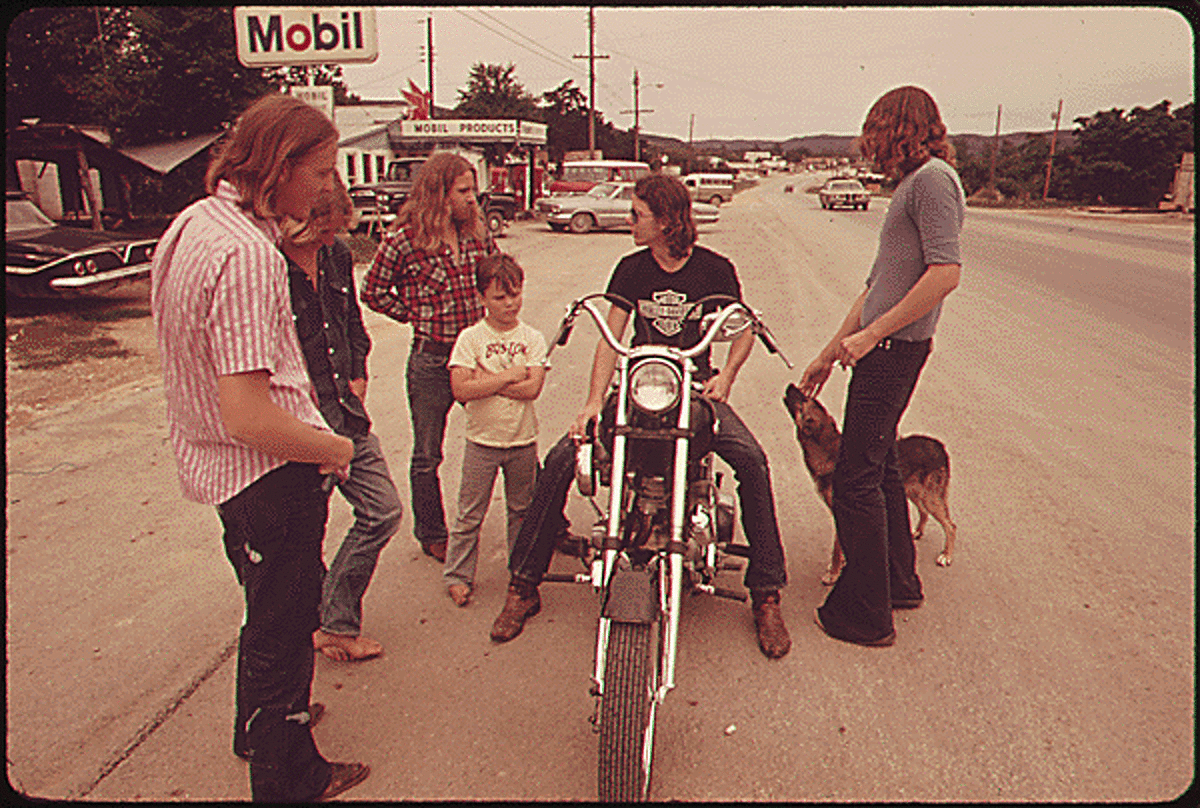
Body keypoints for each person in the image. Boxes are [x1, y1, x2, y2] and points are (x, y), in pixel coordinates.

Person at [150, 92, 369, 801]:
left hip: (222, 472)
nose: (328, 186)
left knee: (263, 608)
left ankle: (259, 728)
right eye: (321, 171)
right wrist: (331, 445)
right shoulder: (248, 255)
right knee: (285, 626)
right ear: (279, 165)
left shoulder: (194, 223)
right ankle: (289, 776)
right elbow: (246, 414)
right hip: (268, 474)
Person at [489, 173, 793, 660]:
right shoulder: (630, 269)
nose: (629, 222)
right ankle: (523, 585)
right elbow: (612, 339)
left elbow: (744, 328)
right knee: (564, 458)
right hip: (636, 388)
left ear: (668, 221)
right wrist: (592, 403)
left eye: (636, 215)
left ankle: (767, 594)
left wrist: (727, 378)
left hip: (695, 389)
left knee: (752, 461)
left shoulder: (715, 269)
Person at [798, 85, 964, 647]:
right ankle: (899, 582)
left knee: (856, 478)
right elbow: (877, 287)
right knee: (883, 468)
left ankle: (866, 614)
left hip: (894, 351)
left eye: (876, 132)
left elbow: (945, 274)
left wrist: (872, 336)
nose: (869, 146)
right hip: (883, 346)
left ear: (900, 129)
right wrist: (831, 349)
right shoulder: (913, 187)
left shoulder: (934, 182)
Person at [280, 179, 403, 662]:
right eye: (322, 231)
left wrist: (358, 374)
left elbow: (351, 319)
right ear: (295, 223)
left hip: (345, 410)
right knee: (304, 533)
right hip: (299, 422)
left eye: (336, 231)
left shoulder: (335, 256)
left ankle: (332, 616)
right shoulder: (266, 266)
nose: (331, 241)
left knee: (383, 510)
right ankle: (320, 628)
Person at [360, 152, 498, 564]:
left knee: (508, 435)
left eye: (473, 190)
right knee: (426, 454)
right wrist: (414, 314)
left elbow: (496, 276)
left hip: (477, 357)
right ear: (439, 194)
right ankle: (432, 532)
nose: (473, 199)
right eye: (463, 191)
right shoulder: (404, 239)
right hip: (432, 362)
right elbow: (373, 291)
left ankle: (538, 522)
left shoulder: (478, 233)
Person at [443, 253, 547, 606]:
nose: (510, 304)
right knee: (470, 513)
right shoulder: (470, 338)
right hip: (481, 442)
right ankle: (458, 575)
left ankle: (519, 572)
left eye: (515, 294)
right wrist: (507, 376)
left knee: (521, 510)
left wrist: (485, 381)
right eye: (500, 297)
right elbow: (460, 389)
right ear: (481, 298)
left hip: (522, 440)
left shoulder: (532, 337)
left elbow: (533, 388)